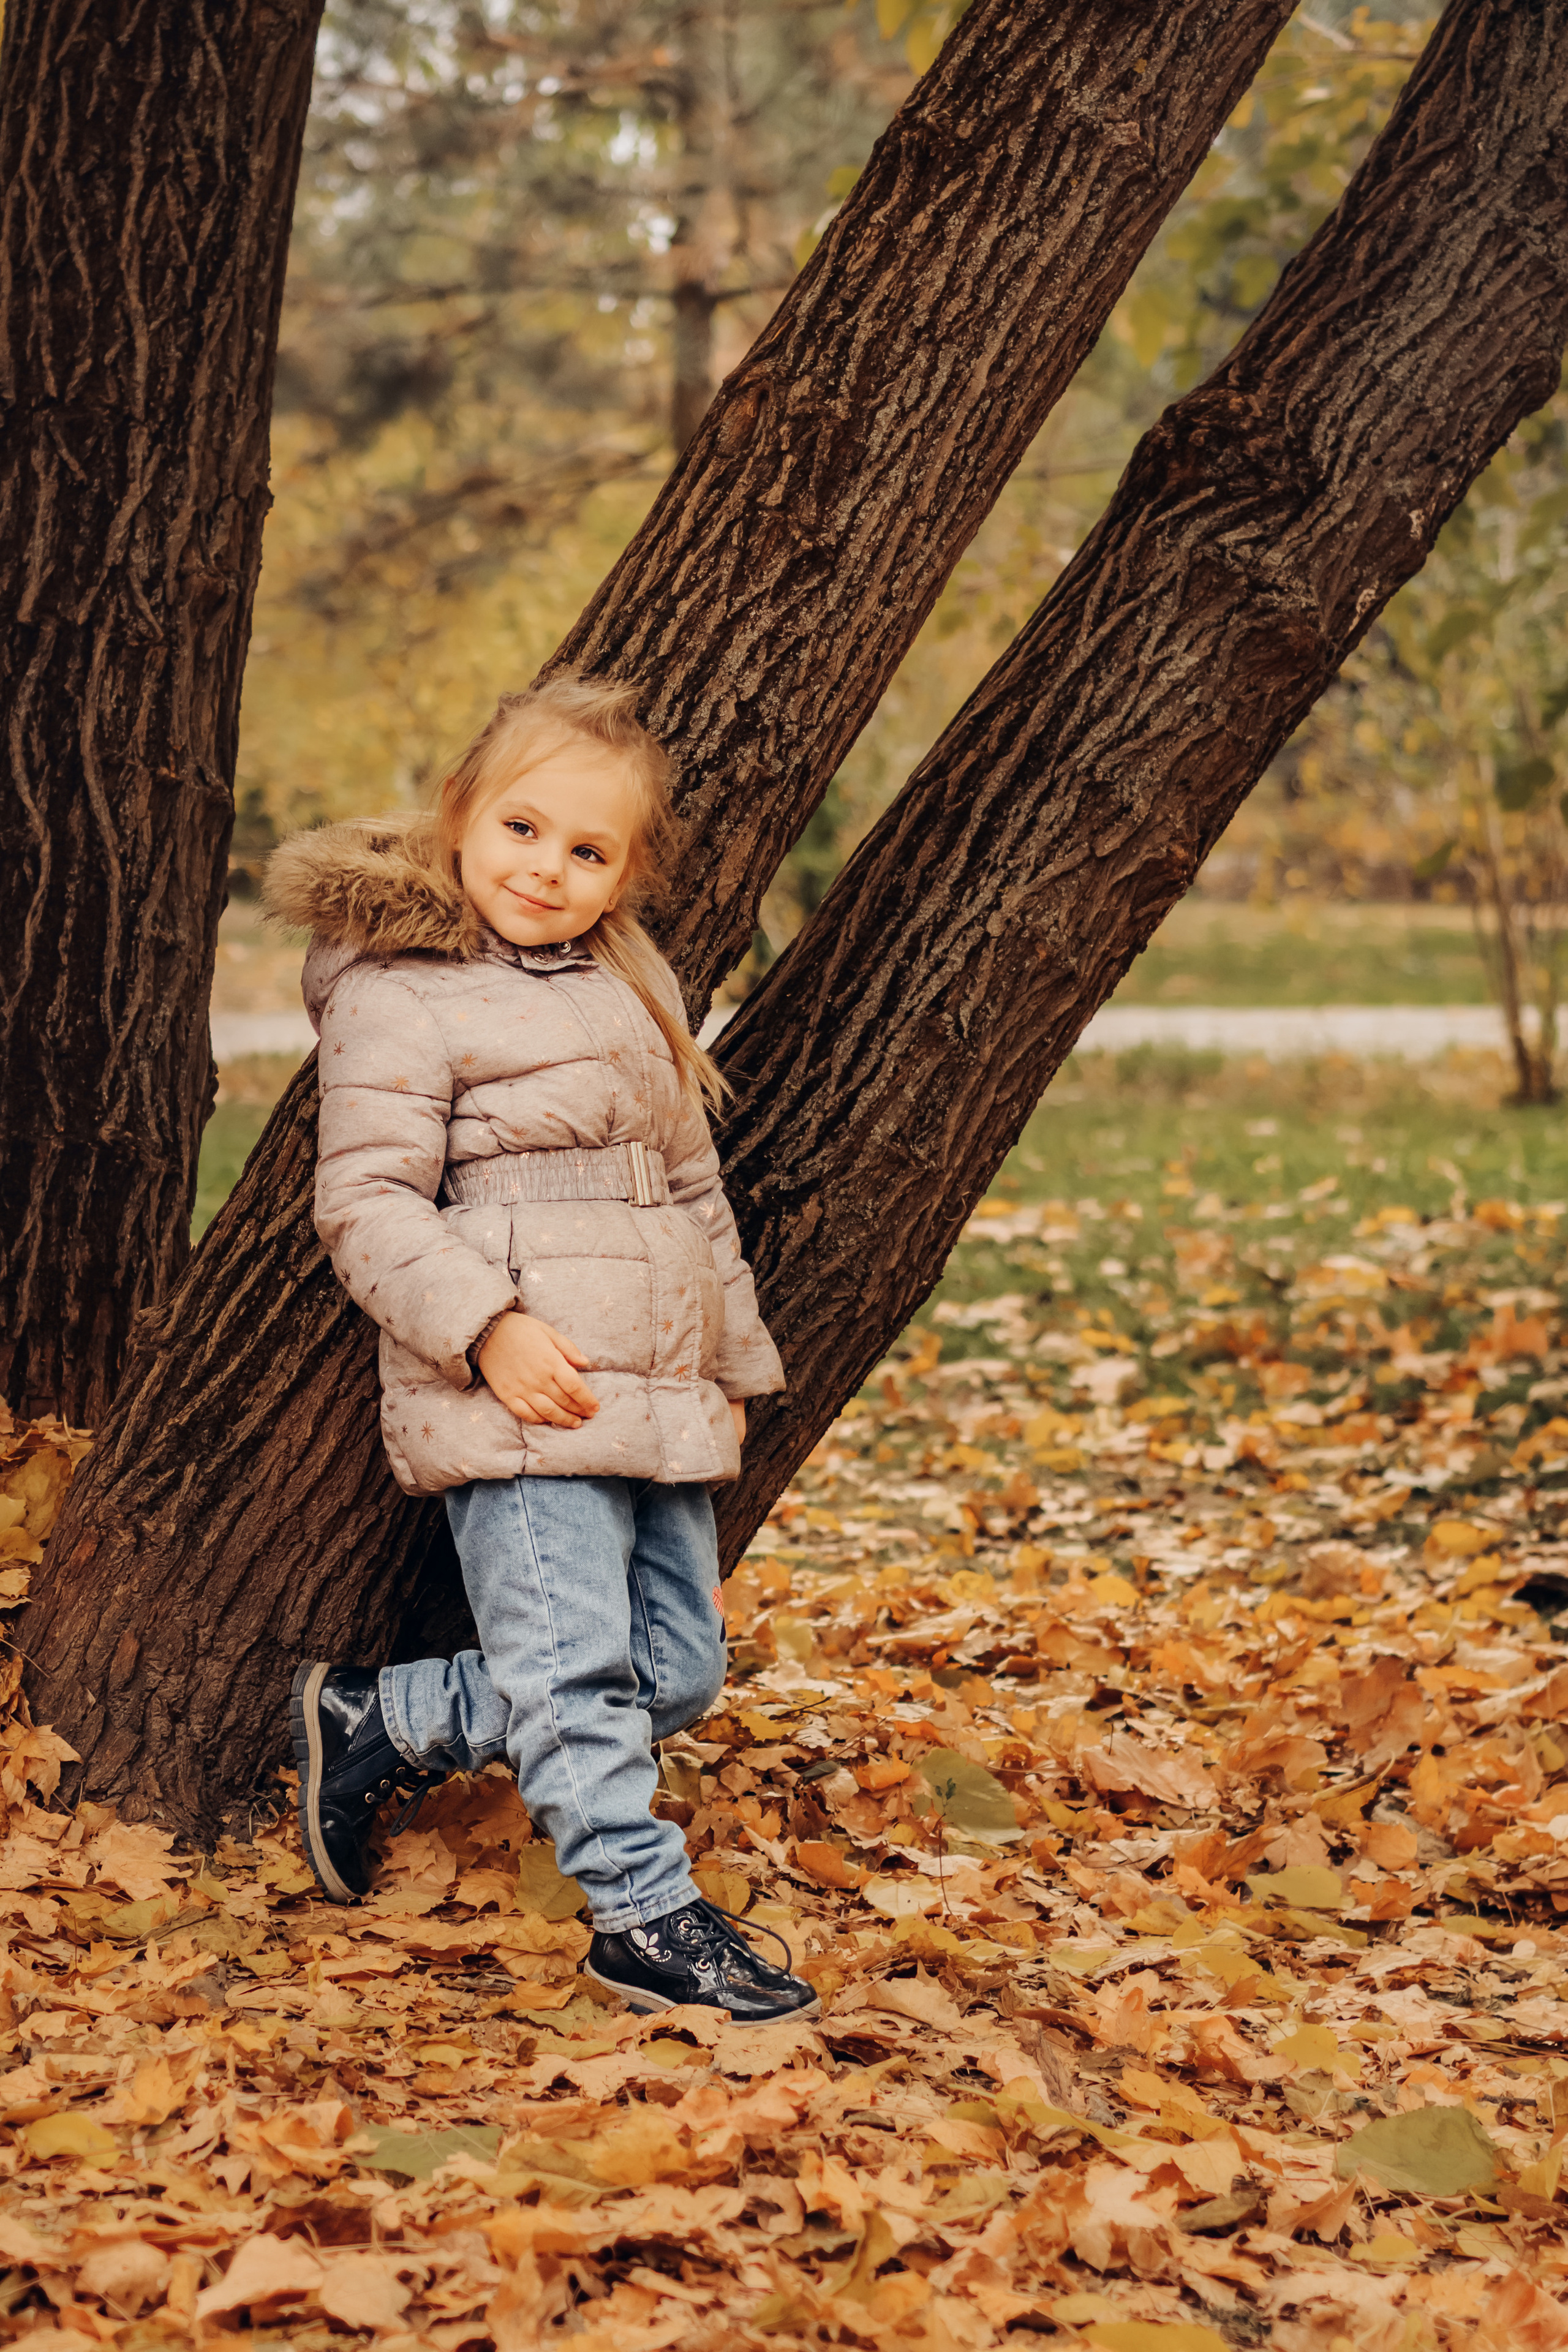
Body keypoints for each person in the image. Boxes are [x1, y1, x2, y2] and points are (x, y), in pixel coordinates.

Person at [262, 674, 816, 2024]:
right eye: (521, 829)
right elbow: (367, 1201)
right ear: (459, 815)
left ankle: (383, 1722)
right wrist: (487, 1331)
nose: (546, 869)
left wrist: (728, 1372)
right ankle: (640, 1917)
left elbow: (696, 1196)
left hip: (658, 1384)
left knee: (672, 1673)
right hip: (528, 1387)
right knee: (572, 1679)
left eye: (586, 851)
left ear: (626, 877)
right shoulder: (404, 991)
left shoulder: (633, 983)